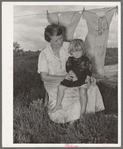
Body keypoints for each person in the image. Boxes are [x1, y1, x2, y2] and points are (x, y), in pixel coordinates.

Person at [38, 24, 105, 124]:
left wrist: (89, 76)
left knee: (92, 87)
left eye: (61, 38)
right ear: (49, 40)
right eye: (56, 40)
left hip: (75, 77)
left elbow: (82, 60)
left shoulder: (68, 46)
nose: (60, 42)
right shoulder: (44, 54)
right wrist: (64, 76)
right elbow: (44, 77)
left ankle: (88, 115)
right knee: (65, 96)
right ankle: (71, 121)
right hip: (53, 82)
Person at [51, 39, 92, 116]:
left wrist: (88, 78)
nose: (76, 53)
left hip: (82, 79)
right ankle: (58, 105)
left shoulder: (86, 60)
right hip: (72, 78)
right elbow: (68, 67)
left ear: (83, 51)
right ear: (71, 51)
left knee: (83, 92)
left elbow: (89, 70)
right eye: (74, 51)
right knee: (60, 87)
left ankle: (82, 112)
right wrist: (71, 72)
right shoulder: (70, 59)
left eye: (79, 51)